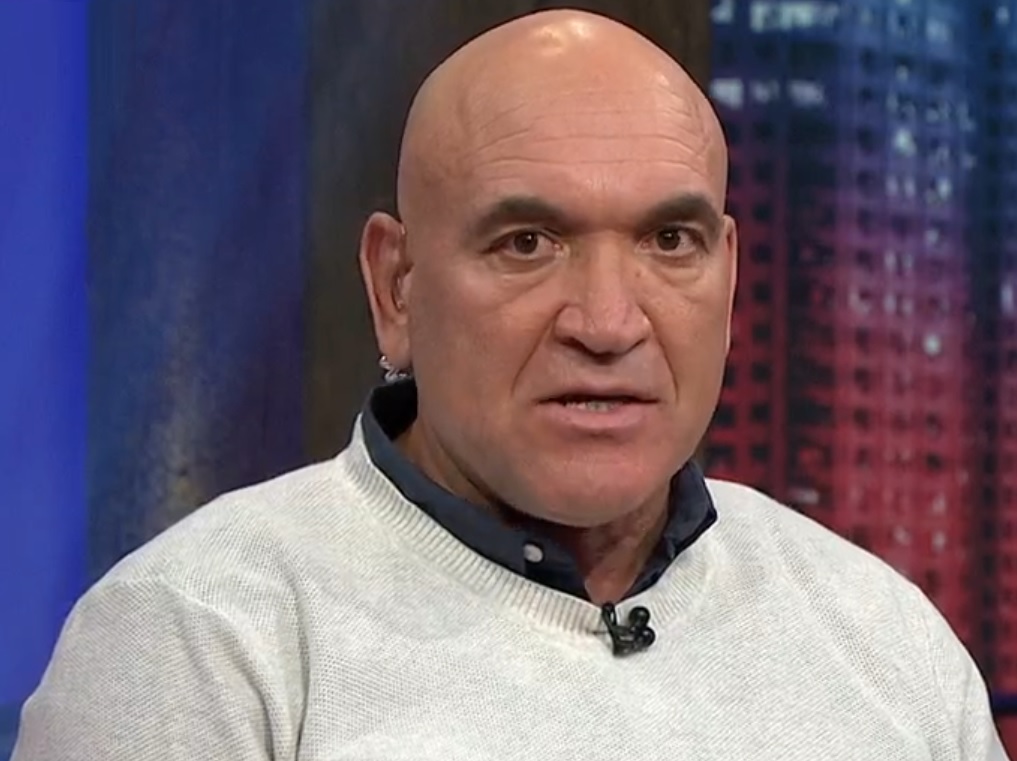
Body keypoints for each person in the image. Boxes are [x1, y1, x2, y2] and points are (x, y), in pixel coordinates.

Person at [12, 9, 1009, 761]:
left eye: (670, 240)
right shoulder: (194, 639)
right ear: (396, 287)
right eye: (527, 242)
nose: (608, 322)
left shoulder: (883, 639)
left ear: (730, 272)